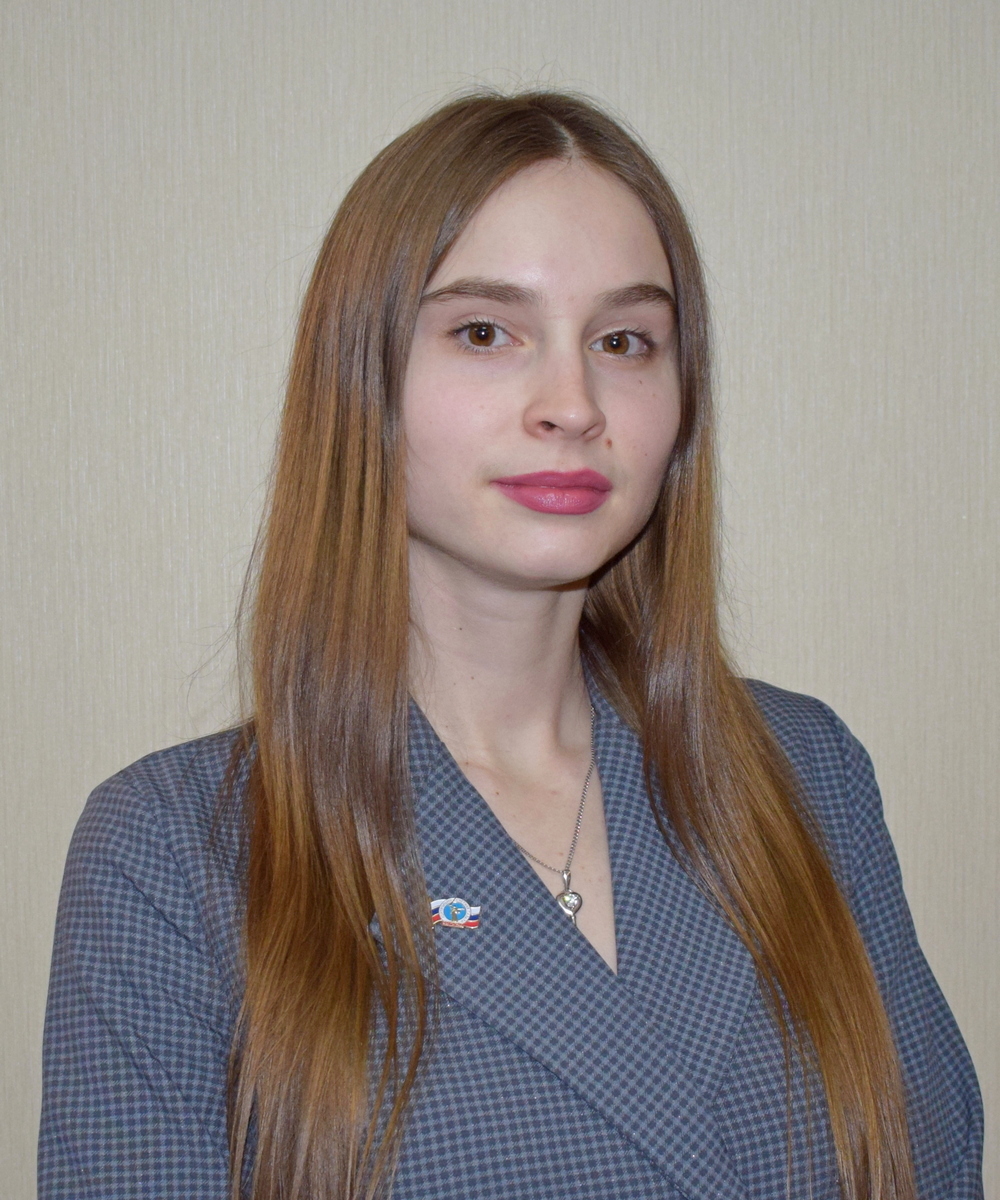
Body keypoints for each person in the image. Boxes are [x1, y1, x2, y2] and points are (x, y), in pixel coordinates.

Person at [38, 91, 983, 1200]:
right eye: (485, 332)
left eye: (624, 341)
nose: (572, 403)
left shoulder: (805, 771)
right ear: (361, 378)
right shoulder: (177, 852)